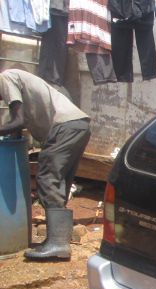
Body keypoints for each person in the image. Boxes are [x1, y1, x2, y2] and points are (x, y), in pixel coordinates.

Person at [0, 68, 91, 260]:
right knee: (58, 182)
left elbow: (19, 121)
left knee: (47, 178)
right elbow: (19, 124)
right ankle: (57, 239)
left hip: (64, 127)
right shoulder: (17, 80)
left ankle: (58, 244)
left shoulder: (5, 78)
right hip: (78, 125)